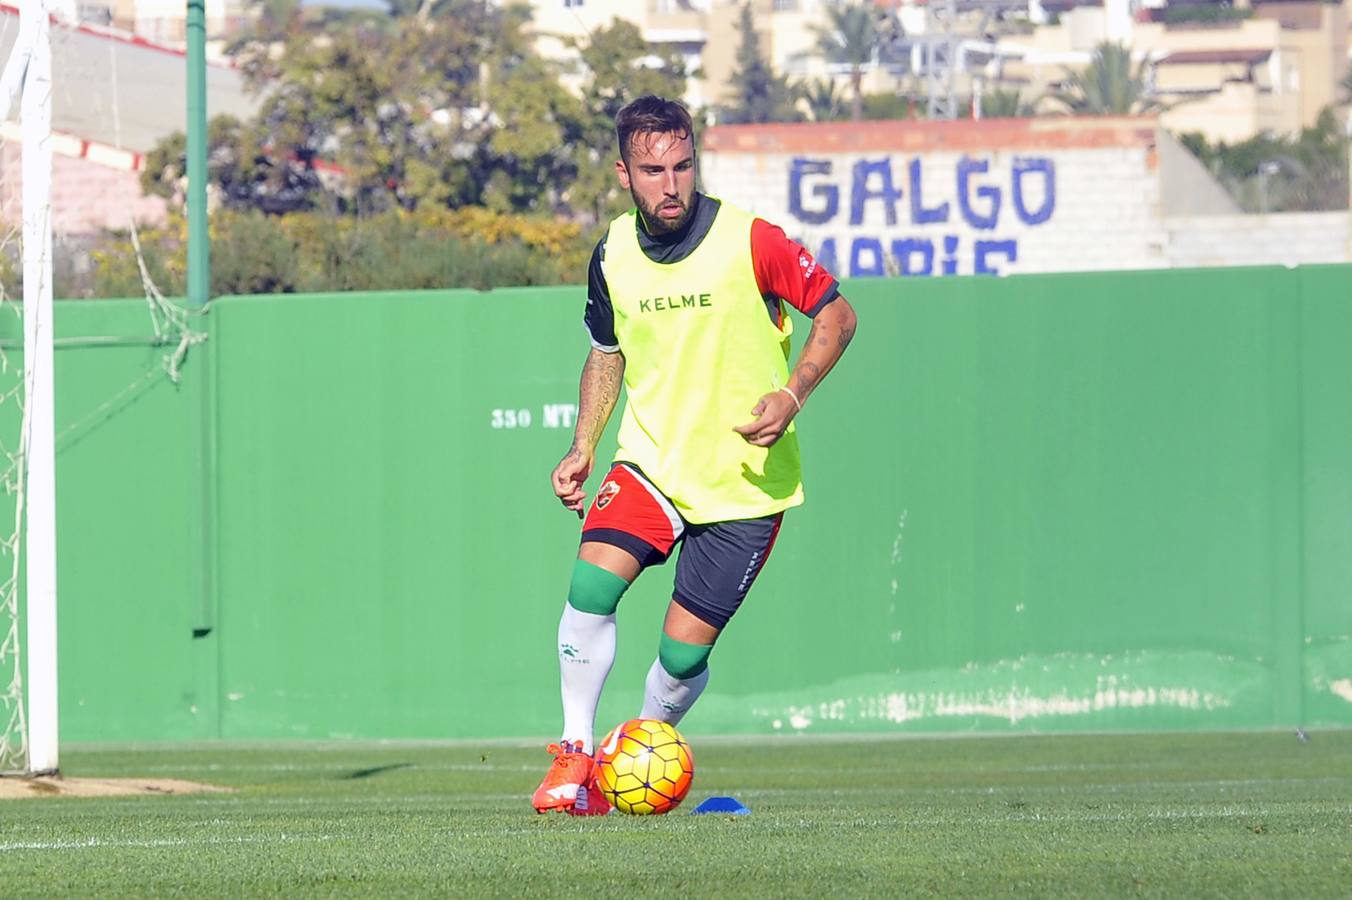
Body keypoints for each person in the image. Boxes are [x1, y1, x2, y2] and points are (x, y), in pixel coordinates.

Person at [531, 95, 857, 815]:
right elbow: (605, 353)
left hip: (744, 485)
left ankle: (636, 751)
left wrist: (795, 393)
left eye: (683, 165)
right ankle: (575, 754)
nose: (671, 183)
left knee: (681, 660)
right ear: (624, 172)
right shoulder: (612, 253)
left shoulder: (753, 240)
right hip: (651, 464)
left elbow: (838, 313)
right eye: (653, 170)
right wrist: (584, 443)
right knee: (591, 589)